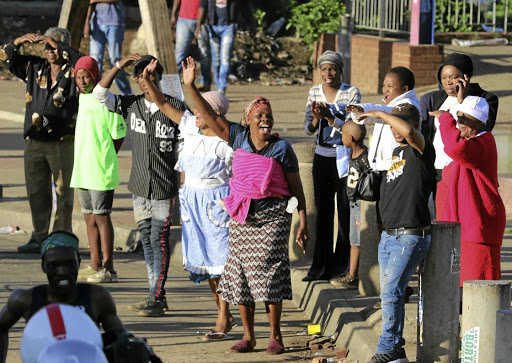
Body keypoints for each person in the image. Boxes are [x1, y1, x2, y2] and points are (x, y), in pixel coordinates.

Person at [183, 56, 308, 354]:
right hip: (241, 216)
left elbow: (296, 187)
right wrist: (190, 86)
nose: (265, 119)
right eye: (259, 115)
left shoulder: (282, 148)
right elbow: (208, 116)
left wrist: (304, 221)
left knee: (270, 272)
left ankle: (275, 335)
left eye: (268, 115)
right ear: (248, 120)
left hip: (274, 216)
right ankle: (249, 336)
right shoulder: (237, 137)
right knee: (239, 274)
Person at [142, 59, 234, 338]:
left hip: (217, 205)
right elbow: (163, 105)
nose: (195, 113)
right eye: (195, 108)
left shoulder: (226, 139)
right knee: (205, 262)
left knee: (221, 261)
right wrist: (149, 82)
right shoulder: (190, 127)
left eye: (202, 109)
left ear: (216, 113)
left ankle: (223, 316)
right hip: (191, 203)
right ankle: (222, 311)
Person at [93, 53, 185, 317]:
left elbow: (186, 148)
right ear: (136, 81)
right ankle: (156, 294)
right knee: (147, 240)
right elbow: (100, 94)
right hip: (139, 188)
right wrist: (119, 65)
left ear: (159, 78)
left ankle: (155, 298)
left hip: (164, 189)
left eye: (153, 76)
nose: (148, 81)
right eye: (143, 77)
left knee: (160, 241)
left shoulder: (176, 109)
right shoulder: (131, 105)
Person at [356, 104, 435, 363]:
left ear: (415, 124)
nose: (395, 129)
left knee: (391, 293)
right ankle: (397, 352)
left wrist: (378, 114)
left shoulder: (422, 150)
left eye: (399, 123)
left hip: (410, 235)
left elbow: (410, 134)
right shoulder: (396, 152)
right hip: (390, 235)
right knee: (392, 294)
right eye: (392, 124)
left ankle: (387, 345)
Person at [0, 28, 81, 254]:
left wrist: (54, 42)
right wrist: (18, 40)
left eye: (53, 47)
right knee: (36, 191)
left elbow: (82, 59)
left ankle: (61, 238)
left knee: (63, 193)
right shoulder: (34, 67)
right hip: (35, 141)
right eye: (46, 47)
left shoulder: (75, 71)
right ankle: (39, 237)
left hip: (62, 141)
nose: (49, 51)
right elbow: (6, 55)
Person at [0, 231, 124, 363]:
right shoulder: (25, 299)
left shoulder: (97, 298)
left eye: (70, 264)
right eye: (54, 265)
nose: (63, 272)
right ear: (43, 266)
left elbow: (121, 341)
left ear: (79, 262)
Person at [430, 96, 505, 288]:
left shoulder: (482, 144)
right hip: (461, 228)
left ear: (479, 122)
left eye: (465, 119)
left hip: (478, 228)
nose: (459, 123)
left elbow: (455, 147)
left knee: (478, 290)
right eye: (458, 117)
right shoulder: (469, 144)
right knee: (458, 288)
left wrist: (445, 119)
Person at [302, 50, 361, 282]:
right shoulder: (314, 91)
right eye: (324, 69)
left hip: (344, 158)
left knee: (345, 212)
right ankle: (320, 267)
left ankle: (340, 267)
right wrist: (317, 118)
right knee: (323, 213)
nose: (328, 73)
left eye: (332, 68)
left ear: (340, 70)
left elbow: (354, 127)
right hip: (321, 157)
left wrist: (330, 117)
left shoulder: (351, 92)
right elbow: (308, 128)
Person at [70, 55, 126, 284]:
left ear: (95, 77)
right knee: (88, 218)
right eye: (79, 77)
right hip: (82, 170)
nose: (83, 81)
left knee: (102, 218)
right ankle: (94, 264)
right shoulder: (81, 99)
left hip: (100, 170)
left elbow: (119, 135)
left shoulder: (106, 101)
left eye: (86, 77)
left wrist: (106, 156)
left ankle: (108, 267)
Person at [345, 66, 421, 230]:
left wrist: (368, 110)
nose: (384, 89)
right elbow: (380, 113)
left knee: (391, 220)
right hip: (381, 173)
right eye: (384, 85)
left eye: (390, 86)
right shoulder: (390, 106)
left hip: (395, 172)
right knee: (382, 219)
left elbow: (387, 113)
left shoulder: (409, 106)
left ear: (405, 89)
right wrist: (364, 111)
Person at [419, 53, 499, 192]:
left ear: (466, 76)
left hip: (464, 168)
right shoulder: (437, 98)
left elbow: (485, 128)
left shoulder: (485, 99)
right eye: (443, 77)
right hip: (438, 167)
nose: (447, 82)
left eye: (453, 77)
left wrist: (463, 101)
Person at [337, 121, 370, 289]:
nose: (341, 138)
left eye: (343, 135)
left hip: (360, 205)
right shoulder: (351, 154)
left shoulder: (366, 157)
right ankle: (352, 272)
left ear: (350, 138)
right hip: (352, 204)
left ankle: (355, 274)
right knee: (353, 240)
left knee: (358, 240)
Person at [83, 0, 133, 96]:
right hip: (96, 23)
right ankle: (95, 93)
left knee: (115, 60)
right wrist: (87, 22)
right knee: (95, 61)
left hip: (114, 22)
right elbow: (89, 4)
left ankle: (127, 92)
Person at [196, 0, 240, 94]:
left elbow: (244, 6)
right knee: (216, 59)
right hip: (213, 27)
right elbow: (203, 5)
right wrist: (199, 25)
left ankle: (221, 88)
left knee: (225, 58)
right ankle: (218, 86)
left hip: (228, 27)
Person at [171, 0, 212, 91]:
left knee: (204, 54)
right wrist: (174, 14)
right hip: (184, 19)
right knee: (179, 53)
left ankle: (205, 83)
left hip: (203, 21)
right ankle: (173, 84)